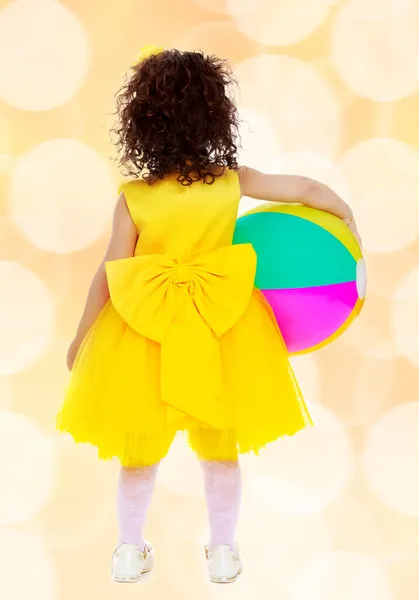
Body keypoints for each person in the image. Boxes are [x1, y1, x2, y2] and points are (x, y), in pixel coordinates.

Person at [56, 45, 361, 584]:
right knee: (221, 450)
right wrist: (347, 215)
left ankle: (129, 550)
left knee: (138, 451)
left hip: (144, 331)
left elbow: (108, 272)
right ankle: (222, 551)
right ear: (214, 116)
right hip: (223, 327)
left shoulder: (134, 197)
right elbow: (307, 190)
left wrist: (81, 339)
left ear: (142, 124)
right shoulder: (230, 181)